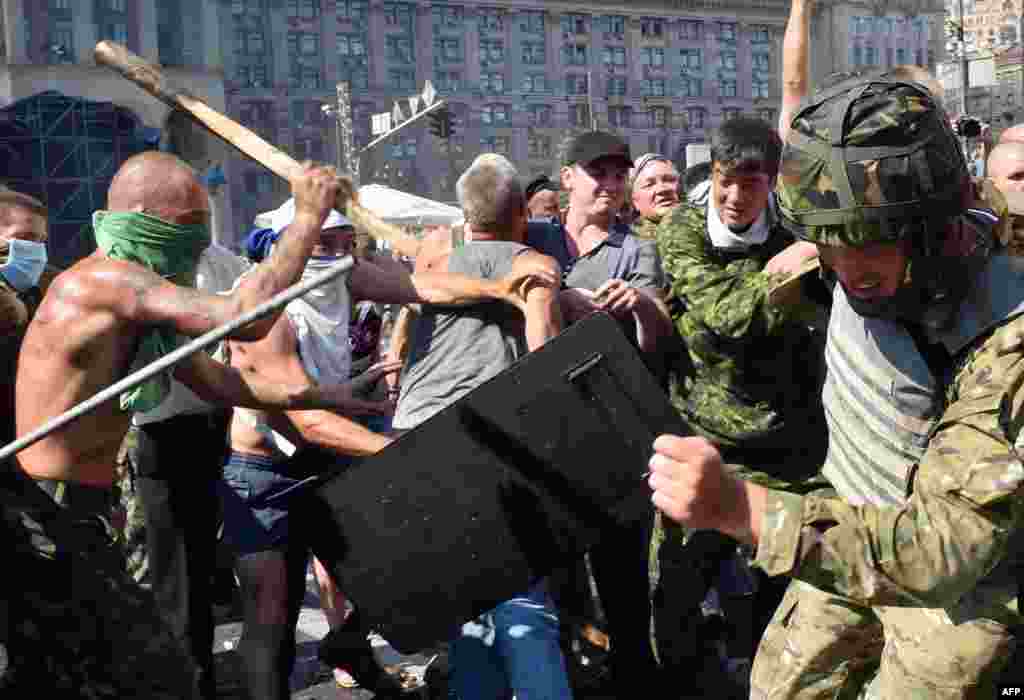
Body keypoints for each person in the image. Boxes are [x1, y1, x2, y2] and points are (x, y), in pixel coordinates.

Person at [649, 74, 1022, 699]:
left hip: (957, 590)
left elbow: (942, 551)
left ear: (933, 228)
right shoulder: (844, 230)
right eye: (826, 240)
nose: (848, 270)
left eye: (870, 243)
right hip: (846, 527)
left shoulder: (1006, 342)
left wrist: (741, 510)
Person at [2, 152, 363, 697]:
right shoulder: (105, 282)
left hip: (89, 508)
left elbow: (218, 383)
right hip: (50, 510)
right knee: (150, 671)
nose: (198, 242)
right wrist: (307, 219)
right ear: (146, 216)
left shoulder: (135, 303)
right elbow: (246, 316)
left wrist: (321, 396)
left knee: (60, 669)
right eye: (189, 226)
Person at [221, 195, 558, 700]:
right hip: (266, 473)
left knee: (408, 561)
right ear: (289, 249)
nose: (337, 254)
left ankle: (351, 643)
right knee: (272, 621)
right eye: (324, 245)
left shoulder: (339, 274)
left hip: (327, 454)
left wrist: (500, 287)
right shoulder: (262, 308)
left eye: (343, 243)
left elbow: (420, 286)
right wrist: (395, 450)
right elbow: (306, 422)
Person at [391, 153, 569, 699]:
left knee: (467, 602)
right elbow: (544, 358)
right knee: (524, 600)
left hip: (417, 437)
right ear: (520, 211)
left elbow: (400, 339)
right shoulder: (531, 263)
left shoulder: (434, 268)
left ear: (466, 216)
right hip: (489, 438)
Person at [528, 130, 672, 695]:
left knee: (623, 570)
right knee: (555, 572)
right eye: (598, 172)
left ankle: (635, 677)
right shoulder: (534, 236)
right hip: (542, 429)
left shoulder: (637, 249)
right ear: (567, 177)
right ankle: (568, 672)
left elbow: (658, 343)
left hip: (611, 429)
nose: (610, 184)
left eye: (619, 174)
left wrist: (638, 304)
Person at [120, 241, 252, 699]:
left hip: (216, 423)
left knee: (203, 571)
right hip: (162, 433)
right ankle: (188, 683)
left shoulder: (223, 263)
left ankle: (201, 677)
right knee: (175, 580)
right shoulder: (134, 270)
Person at [0, 189, 53, 445]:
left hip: (29, 442)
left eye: (40, 241)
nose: (34, 251)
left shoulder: (40, 290)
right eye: (25, 238)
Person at [629, 153, 681, 240]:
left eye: (669, 180)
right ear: (635, 201)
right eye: (649, 185)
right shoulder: (629, 244)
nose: (662, 189)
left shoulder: (706, 228)